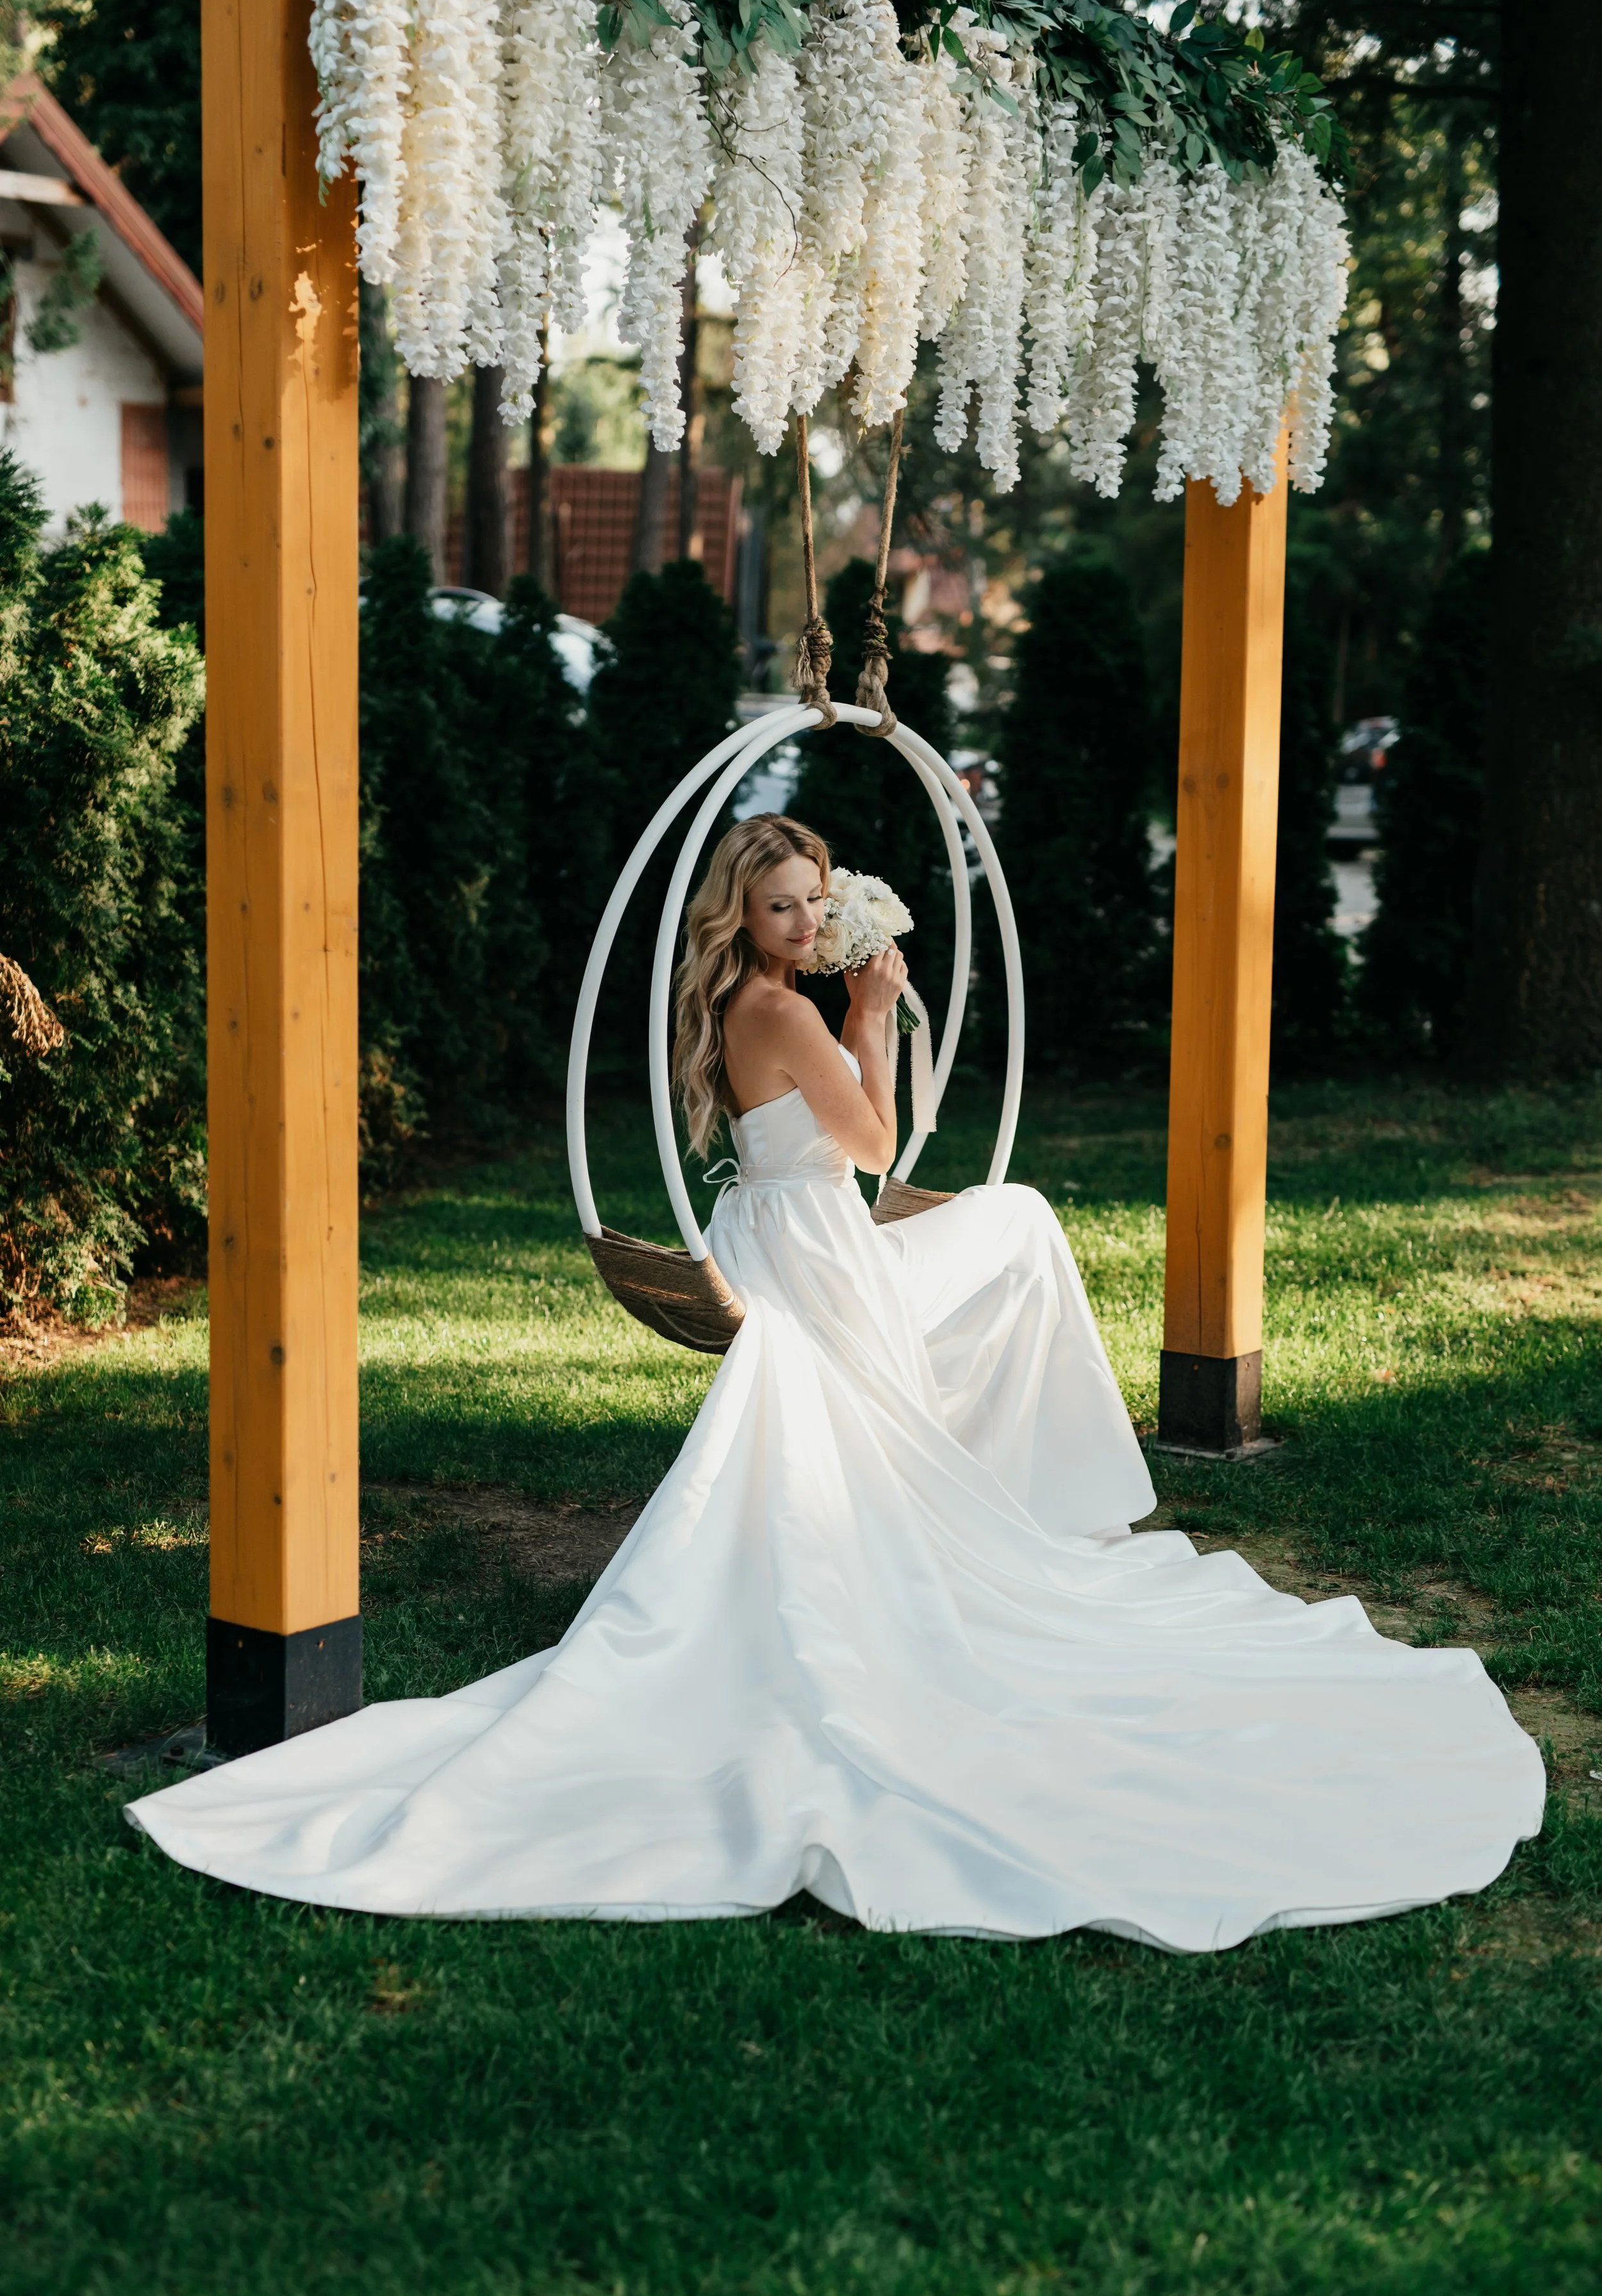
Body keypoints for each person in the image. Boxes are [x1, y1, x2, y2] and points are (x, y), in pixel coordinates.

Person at [128, 815, 1543, 1949]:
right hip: (816, 1250)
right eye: (784, 909)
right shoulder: (789, 1011)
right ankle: (1030, 1488)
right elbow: (872, 1143)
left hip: (785, 1230)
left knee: (1013, 1232)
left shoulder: (750, 1004)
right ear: (742, 921)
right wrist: (873, 1007)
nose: (807, 927)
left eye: (820, 904)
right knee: (1024, 1223)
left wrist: (855, 1011)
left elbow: (846, 1157)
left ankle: (992, 1465)